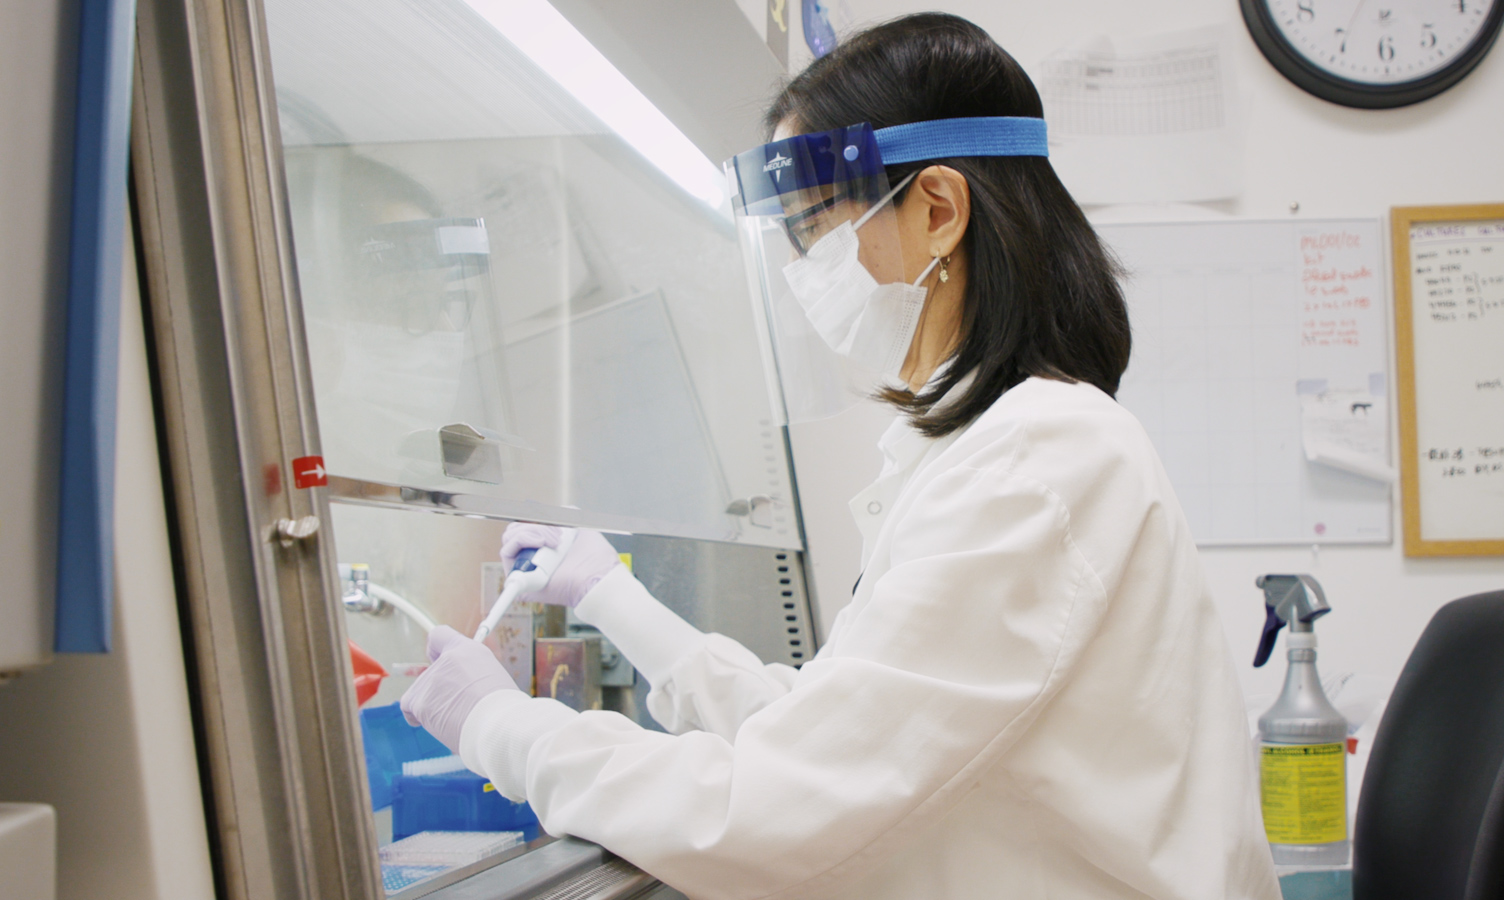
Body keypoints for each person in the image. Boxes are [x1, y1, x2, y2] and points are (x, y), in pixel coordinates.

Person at [401, 14, 1280, 900]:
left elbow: (771, 814)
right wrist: (614, 600)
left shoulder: (1038, 462)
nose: (802, 272)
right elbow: (829, 733)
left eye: (813, 229)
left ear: (938, 210)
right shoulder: (994, 447)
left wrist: (503, 727)